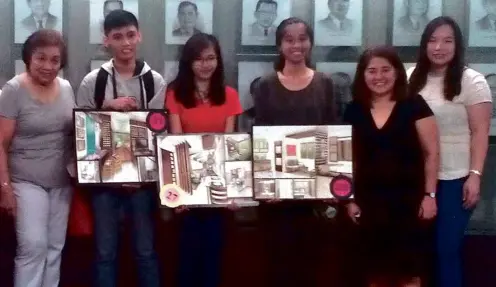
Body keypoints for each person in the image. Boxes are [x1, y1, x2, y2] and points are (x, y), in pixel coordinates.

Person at [76, 10, 165, 287]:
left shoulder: (155, 81)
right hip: (105, 183)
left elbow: (158, 133)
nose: (125, 43)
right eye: (117, 37)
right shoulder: (94, 81)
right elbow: (82, 133)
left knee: (145, 250)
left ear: (139, 36)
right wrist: (106, 109)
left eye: (130, 35)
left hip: (142, 183)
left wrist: (135, 174)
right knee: (105, 253)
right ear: (106, 41)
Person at [252, 17, 337, 287]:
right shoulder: (266, 84)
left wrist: (330, 185)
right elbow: (261, 136)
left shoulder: (325, 83)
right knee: (277, 265)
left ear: (310, 43)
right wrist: (267, 187)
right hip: (277, 196)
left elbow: (333, 134)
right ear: (280, 45)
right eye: (289, 39)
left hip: (314, 195)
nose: (296, 45)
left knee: (311, 265)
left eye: (302, 39)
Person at [407, 16, 492, 287]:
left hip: (456, 178)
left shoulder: (472, 81)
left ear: (457, 45)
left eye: (447, 40)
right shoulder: (410, 78)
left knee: (447, 248)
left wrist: (475, 175)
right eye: (432, 40)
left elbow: (480, 133)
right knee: (419, 250)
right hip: (416, 177)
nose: (438, 47)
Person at [343, 46, 439, 287]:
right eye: (372, 71)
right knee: (375, 274)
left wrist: (430, 195)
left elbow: (432, 153)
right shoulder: (354, 109)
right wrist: (349, 199)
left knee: (410, 274)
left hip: (408, 203)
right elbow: (346, 159)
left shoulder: (415, 104)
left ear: (397, 72)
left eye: (386, 69)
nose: (379, 77)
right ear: (362, 75)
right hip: (369, 204)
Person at [165, 32, 242, 287]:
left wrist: (233, 193)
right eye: (199, 59)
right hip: (188, 189)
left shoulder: (230, 95)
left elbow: (228, 147)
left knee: (213, 259)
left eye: (211, 58)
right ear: (188, 62)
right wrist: (178, 195)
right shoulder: (175, 94)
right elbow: (176, 144)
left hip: (218, 191)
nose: (205, 64)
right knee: (186, 260)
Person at [0, 29, 74, 287]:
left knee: (55, 248)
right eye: (41, 58)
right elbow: (1, 143)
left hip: (62, 181)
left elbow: (75, 131)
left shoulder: (66, 88)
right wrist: (5, 188)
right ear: (28, 59)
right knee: (33, 247)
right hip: (25, 180)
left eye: (55, 60)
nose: (48, 66)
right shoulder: (13, 90)